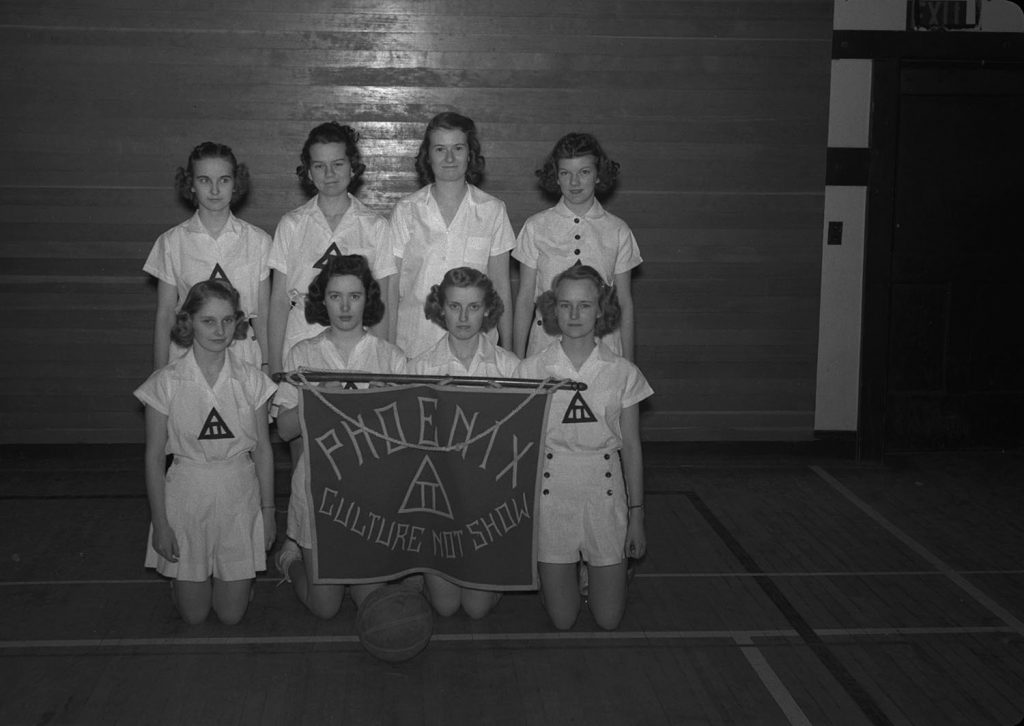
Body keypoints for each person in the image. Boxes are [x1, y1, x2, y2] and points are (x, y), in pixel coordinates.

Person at [515, 265, 652, 631]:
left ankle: (606, 575)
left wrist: (636, 516)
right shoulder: (530, 370)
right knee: (562, 620)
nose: (574, 315)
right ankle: (562, 578)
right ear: (552, 310)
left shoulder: (623, 372)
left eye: (585, 305)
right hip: (551, 496)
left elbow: (632, 447)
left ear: (601, 308)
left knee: (608, 620)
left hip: (604, 497)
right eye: (565, 305)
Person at [135, 280, 277, 625]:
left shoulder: (252, 380)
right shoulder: (165, 382)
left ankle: (237, 584)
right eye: (208, 321)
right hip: (186, 494)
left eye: (228, 320)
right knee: (195, 616)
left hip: (238, 494)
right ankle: (185, 585)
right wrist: (161, 523)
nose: (219, 330)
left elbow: (263, 451)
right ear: (188, 322)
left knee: (230, 616)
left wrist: (268, 512)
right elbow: (154, 458)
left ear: (238, 322)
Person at [273, 254, 407, 618]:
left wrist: (389, 403)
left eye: (354, 296)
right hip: (318, 490)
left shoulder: (391, 358)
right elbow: (284, 432)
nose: (345, 306)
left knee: (370, 604)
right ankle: (290, 558)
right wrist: (312, 399)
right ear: (322, 299)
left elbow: (408, 443)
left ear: (369, 299)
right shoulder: (303, 353)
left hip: (372, 493)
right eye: (335, 296)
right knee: (326, 608)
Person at [409, 266, 520, 618]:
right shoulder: (418, 368)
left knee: (475, 610)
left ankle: (495, 573)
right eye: (455, 306)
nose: (463, 316)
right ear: (440, 308)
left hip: (488, 503)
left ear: (488, 309)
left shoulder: (510, 368)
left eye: (473, 307)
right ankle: (418, 575)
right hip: (438, 501)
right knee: (444, 608)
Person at [268, 122, 394, 374]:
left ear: (352, 167)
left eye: (338, 164)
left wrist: (382, 366)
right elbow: (279, 302)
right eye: (319, 166)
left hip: (358, 349)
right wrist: (274, 367)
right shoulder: (291, 224)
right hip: (300, 343)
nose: (329, 174)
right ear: (309, 172)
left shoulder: (375, 226)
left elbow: (381, 303)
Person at [387, 111, 514, 359]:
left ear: (470, 154)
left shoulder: (493, 210)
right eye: (439, 149)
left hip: (477, 351)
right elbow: (391, 289)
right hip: (414, 345)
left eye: (458, 148)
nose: (449, 158)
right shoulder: (406, 210)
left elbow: (501, 287)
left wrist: (508, 349)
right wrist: (388, 350)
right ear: (428, 156)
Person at [513, 132, 642, 361]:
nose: (574, 182)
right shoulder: (535, 226)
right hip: (544, 351)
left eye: (584, 172)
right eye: (565, 173)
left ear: (598, 175)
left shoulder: (618, 230)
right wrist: (518, 361)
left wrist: (629, 367)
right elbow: (525, 299)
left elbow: (624, 303)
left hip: (604, 353)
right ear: (556, 177)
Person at [144, 142, 271, 371]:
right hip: (186, 357)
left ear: (235, 183)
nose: (214, 190)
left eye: (224, 180)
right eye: (204, 180)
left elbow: (262, 316)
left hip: (243, 358)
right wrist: (159, 374)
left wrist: (268, 366)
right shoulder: (171, 242)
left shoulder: (259, 241)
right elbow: (165, 316)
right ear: (191, 184)